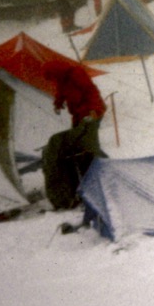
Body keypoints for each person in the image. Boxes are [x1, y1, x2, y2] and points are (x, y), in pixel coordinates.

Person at [41, 59, 107, 211]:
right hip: (79, 115)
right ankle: (87, 179)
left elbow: (91, 91)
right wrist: (58, 103)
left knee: (88, 145)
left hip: (92, 113)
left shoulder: (76, 73)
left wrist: (94, 110)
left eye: (51, 77)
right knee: (79, 147)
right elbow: (61, 91)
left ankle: (105, 173)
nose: (53, 80)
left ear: (56, 71)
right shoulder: (62, 78)